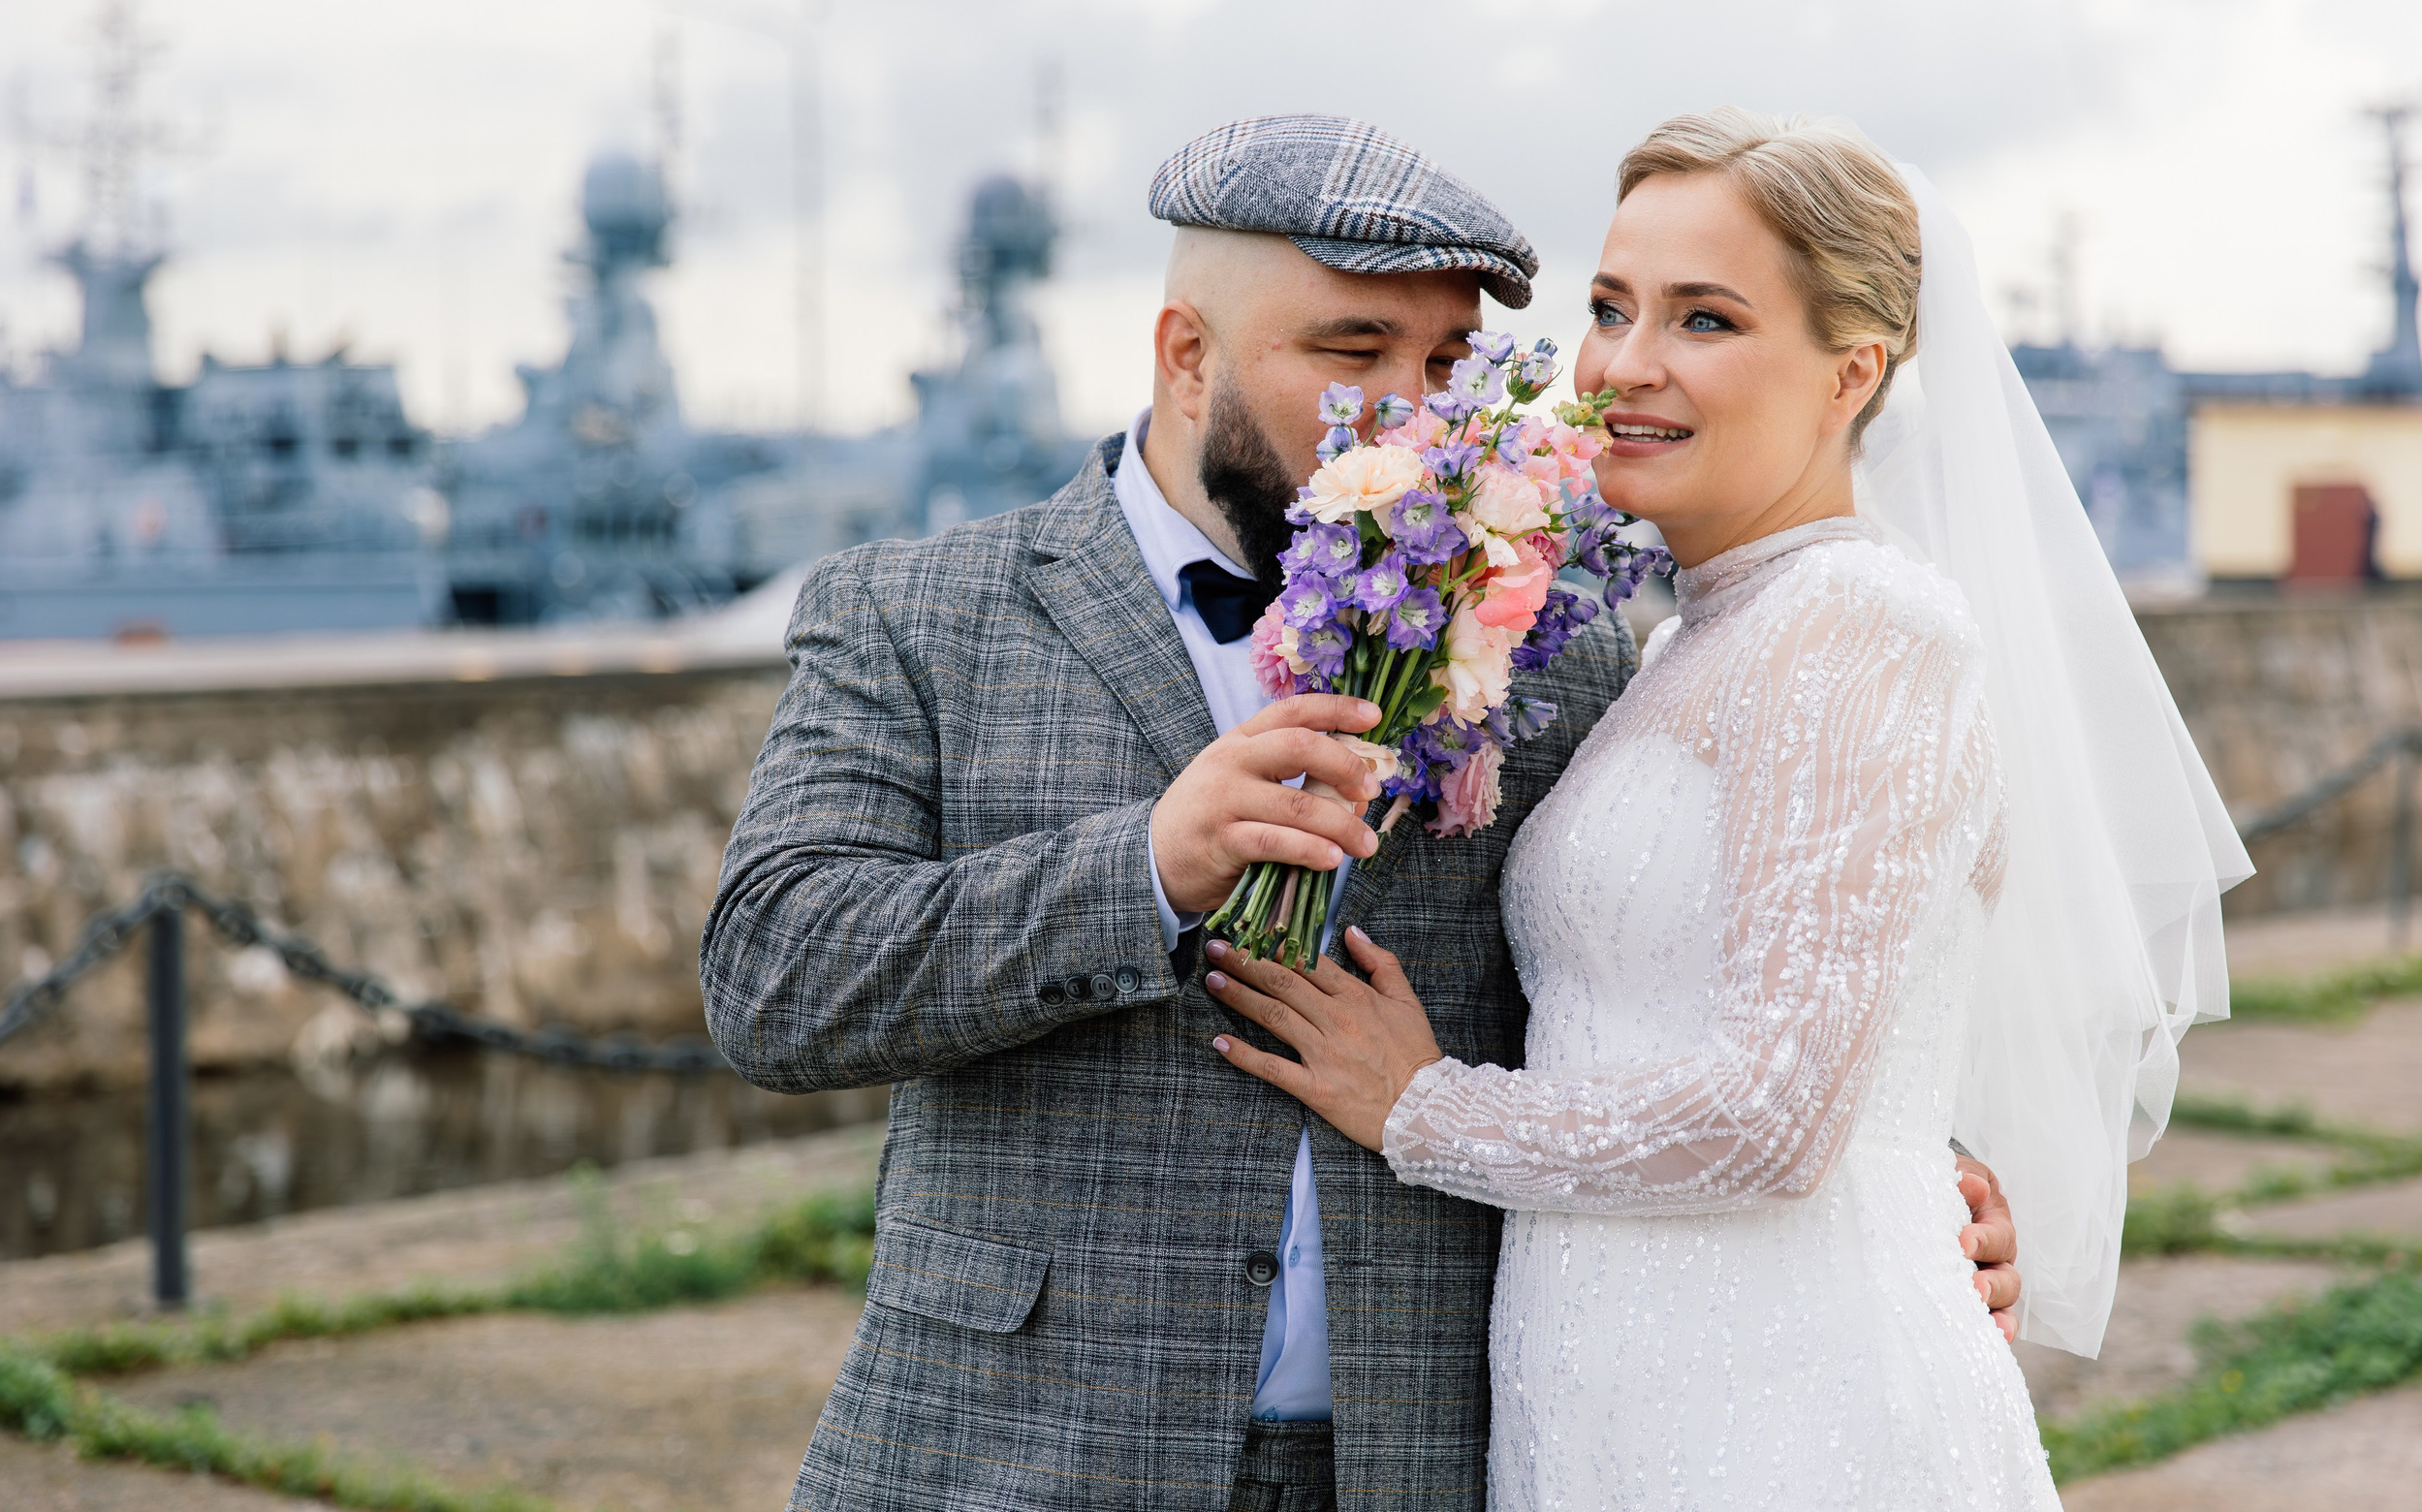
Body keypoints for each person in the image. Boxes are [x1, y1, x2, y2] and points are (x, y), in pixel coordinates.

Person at [700, 114, 2020, 1512]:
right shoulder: (920, 615)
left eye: (1445, 364)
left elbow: (1660, 966)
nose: (1412, 412)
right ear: (1185, 354)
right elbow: (773, 977)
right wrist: (1146, 867)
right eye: (1350, 354)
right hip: (1012, 1458)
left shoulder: (1557, 652)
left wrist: (1906, 1167)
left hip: (1426, 1459)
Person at [1202, 109, 2248, 1509]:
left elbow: (1779, 1115)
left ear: (1851, 372)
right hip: (1622, 1386)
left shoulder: (1865, 626)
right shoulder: (1682, 638)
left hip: (1787, 1404)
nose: (1626, 366)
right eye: (1612, 307)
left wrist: (1421, 1107)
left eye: (1705, 319)